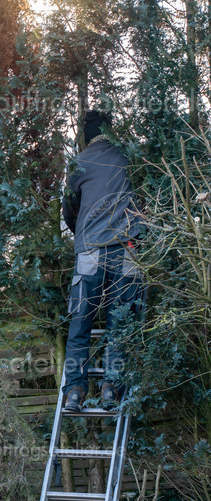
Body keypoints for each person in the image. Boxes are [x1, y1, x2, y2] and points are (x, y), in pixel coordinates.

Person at [62, 109, 145, 412]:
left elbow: (69, 209)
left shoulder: (79, 163)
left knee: (81, 322)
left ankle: (74, 391)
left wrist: (83, 234)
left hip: (90, 251)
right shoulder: (129, 157)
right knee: (120, 322)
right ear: (110, 131)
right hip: (127, 248)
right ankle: (111, 388)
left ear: (87, 136)